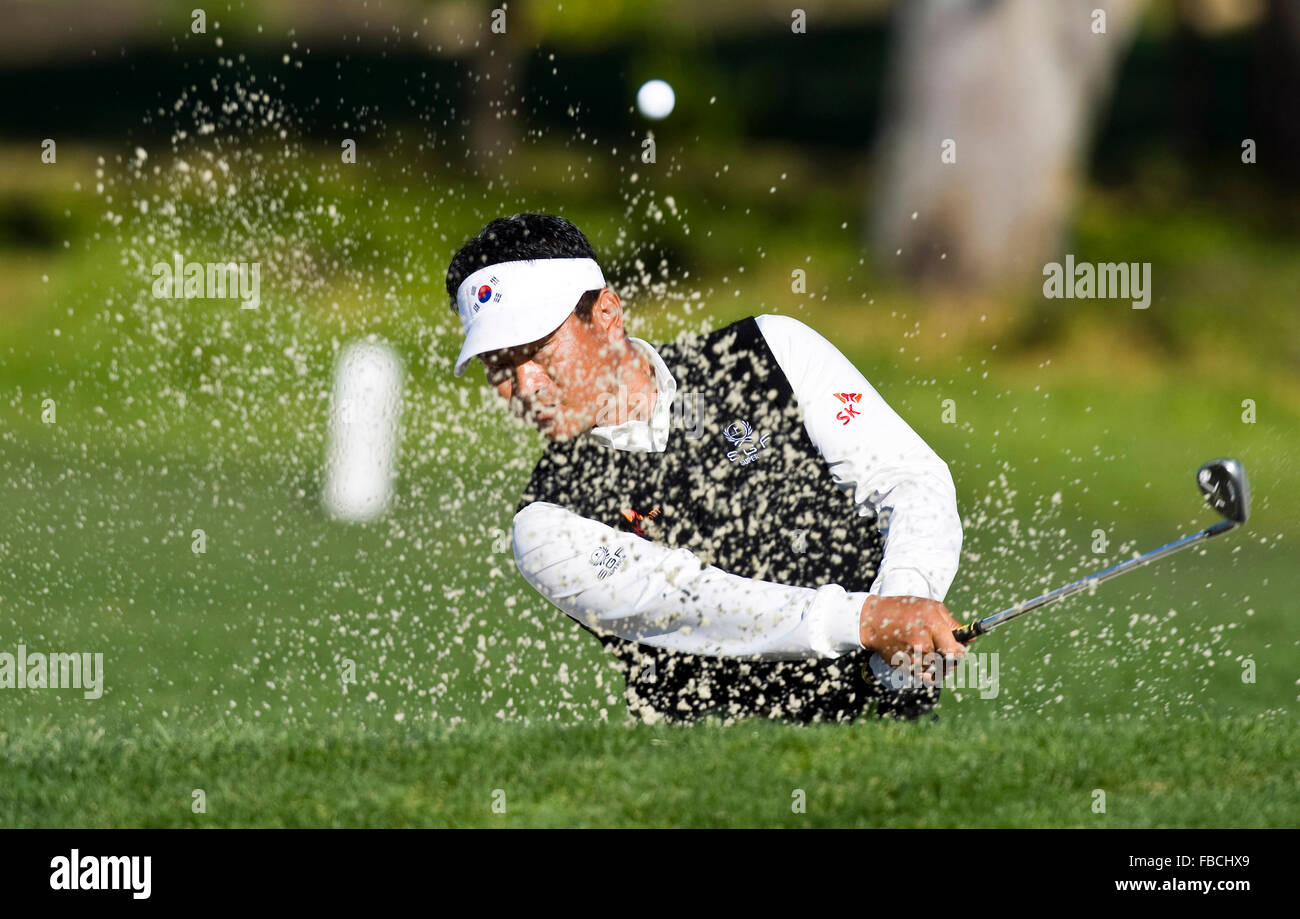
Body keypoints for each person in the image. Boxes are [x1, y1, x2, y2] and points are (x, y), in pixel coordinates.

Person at [446, 213, 967, 723]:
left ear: (607, 314)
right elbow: (696, 603)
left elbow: (909, 479)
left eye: (537, 350)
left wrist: (907, 601)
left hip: (896, 730)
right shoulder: (544, 524)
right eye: (499, 366)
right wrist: (870, 621)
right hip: (716, 773)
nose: (525, 385)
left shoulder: (770, 349)